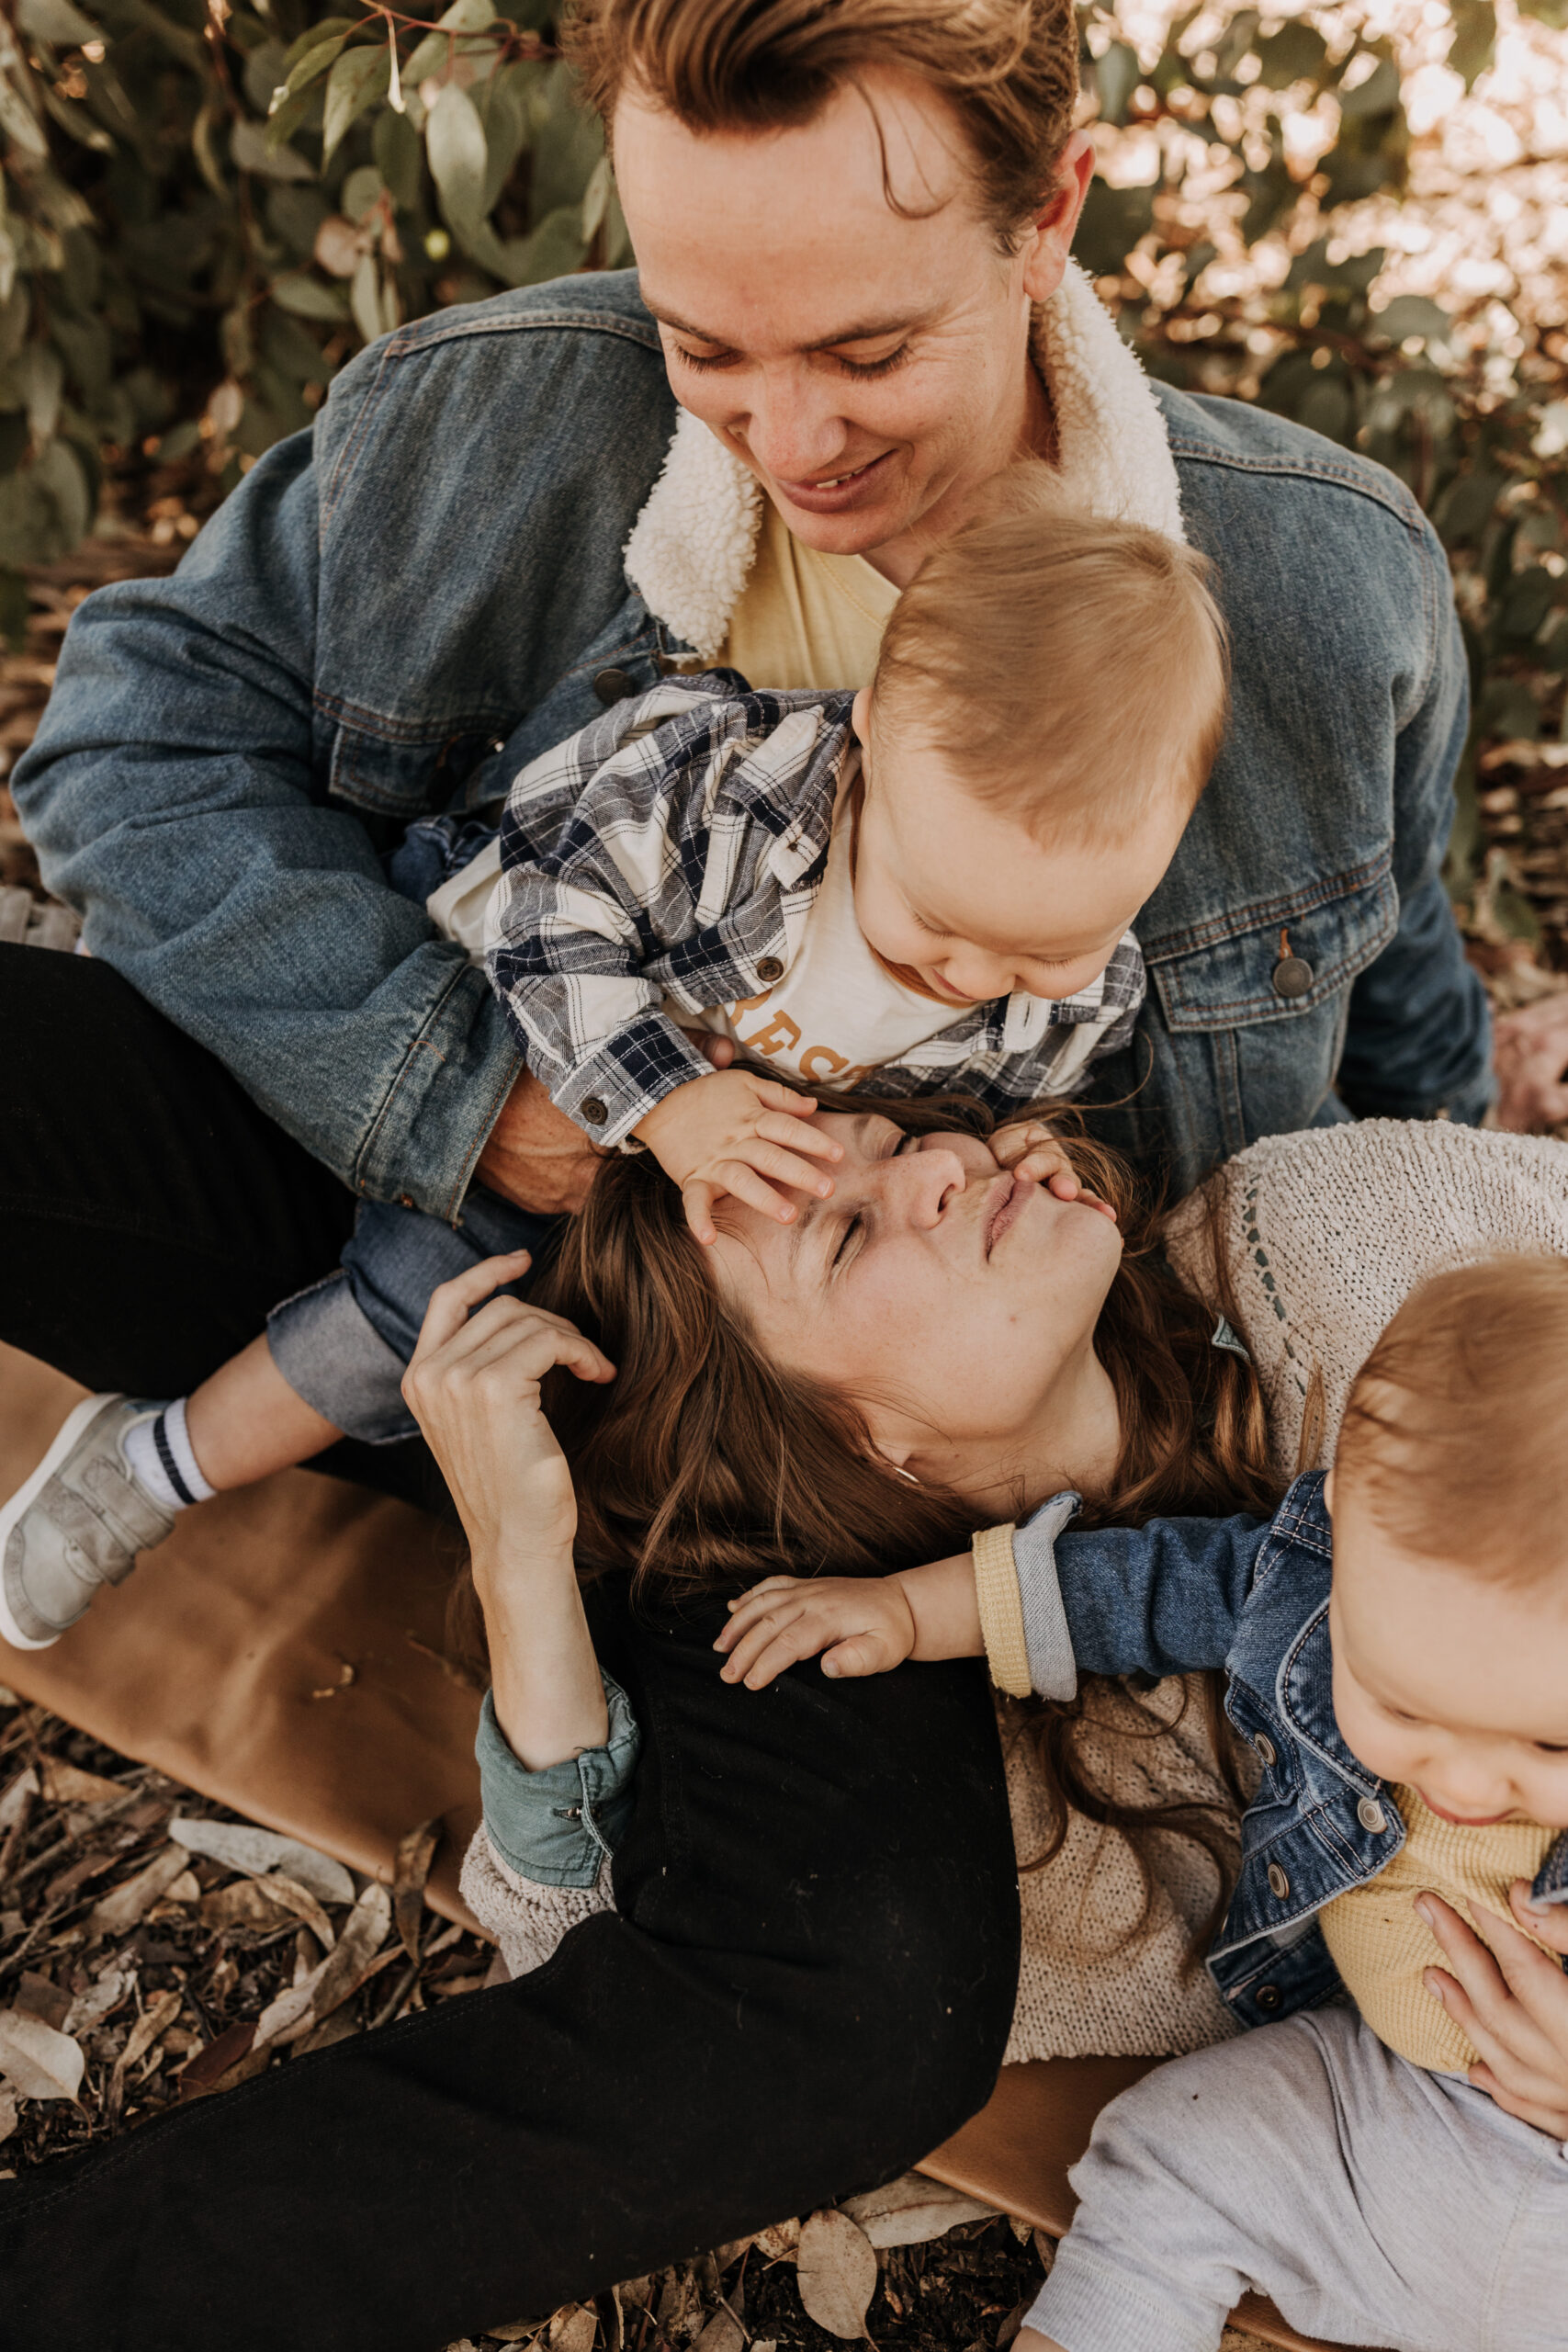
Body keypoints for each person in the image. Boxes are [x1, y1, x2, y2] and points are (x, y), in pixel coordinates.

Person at [0, 0, 1525, 2333]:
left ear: (1052, 216)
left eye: (864, 349)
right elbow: (129, 735)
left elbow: (1397, 1029)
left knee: (861, 2000)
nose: (788, 435)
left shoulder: (1306, 595)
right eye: (704, 344)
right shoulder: (480, 417)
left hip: (836, 1485)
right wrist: (467, 1098)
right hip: (433, 1218)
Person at [0, 481, 1217, 1647]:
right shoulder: (728, 790)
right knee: (413, 1309)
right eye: (938, 925)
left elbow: (1017, 1093)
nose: (970, 975)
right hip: (499, 1008)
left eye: (1044, 946)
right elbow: (546, 921)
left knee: (501, 1346)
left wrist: (1029, 1147)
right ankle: (153, 1466)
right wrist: (663, 1100)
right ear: (867, 740)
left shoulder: (1076, 972)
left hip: (685, 1187)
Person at [717, 1258, 1568, 2352]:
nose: (1459, 1781)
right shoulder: (1310, 1583)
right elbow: (1140, 1586)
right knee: (1170, 2155)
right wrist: (911, 1611)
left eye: (1549, 1740)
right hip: (1403, 2119)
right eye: (1399, 1703)